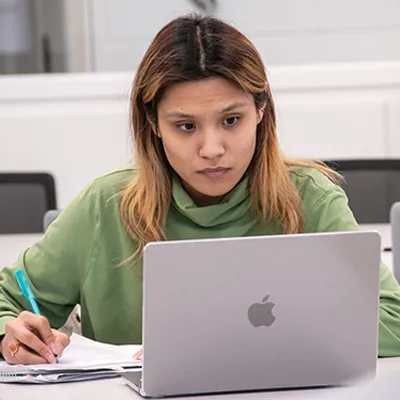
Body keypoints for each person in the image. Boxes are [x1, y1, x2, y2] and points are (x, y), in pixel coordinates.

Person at [1, 14, 400, 366]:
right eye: (186, 126)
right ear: (154, 123)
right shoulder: (106, 204)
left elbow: (393, 321)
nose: (212, 150)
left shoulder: (311, 197)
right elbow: (8, 302)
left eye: (231, 119)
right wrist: (11, 337)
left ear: (261, 110)